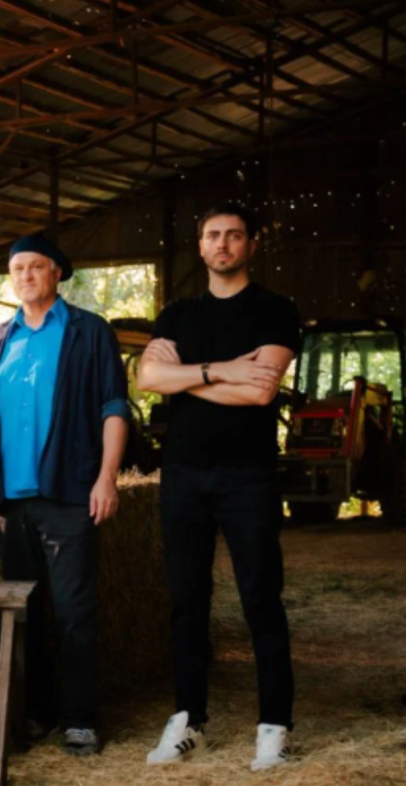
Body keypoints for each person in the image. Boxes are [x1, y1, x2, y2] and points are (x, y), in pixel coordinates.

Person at [0, 234, 131, 757]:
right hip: (12, 500)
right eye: (17, 268)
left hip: (69, 492)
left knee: (73, 610)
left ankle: (79, 718)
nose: (25, 275)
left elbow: (114, 406)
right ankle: (34, 714)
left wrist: (107, 477)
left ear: (57, 273)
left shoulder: (87, 332)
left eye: (35, 267)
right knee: (23, 612)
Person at [137, 202, 301, 771]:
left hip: (248, 475)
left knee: (260, 599)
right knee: (186, 601)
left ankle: (274, 725)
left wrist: (184, 381)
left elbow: (260, 393)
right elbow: (147, 377)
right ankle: (188, 720)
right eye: (213, 235)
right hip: (182, 473)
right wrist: (220, 370)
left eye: (234, 235)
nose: (223, 244)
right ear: (200, 246)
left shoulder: (276, 312)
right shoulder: (177, 314)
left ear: (251, 244)